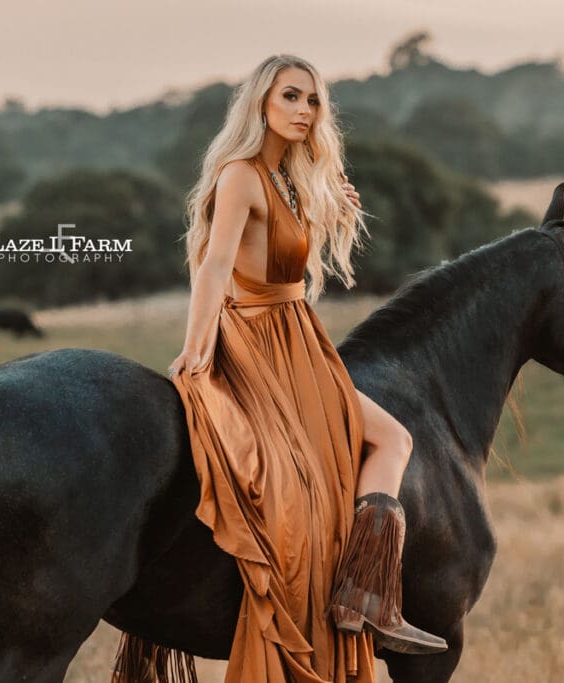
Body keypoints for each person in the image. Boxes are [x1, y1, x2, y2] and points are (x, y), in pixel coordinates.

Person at [167, 54, 447, 682]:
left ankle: (363, 595)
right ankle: (356, 596)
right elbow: (214, 266)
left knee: (392, 439)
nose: (303, 111)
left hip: (302, 340)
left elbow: (287, 255)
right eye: (290, 97)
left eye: (313, 101)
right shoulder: (242, 174)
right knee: (318, 478)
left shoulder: (291, 177)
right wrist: (198, 347)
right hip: (259, 340)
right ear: (261, 103)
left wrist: (332, 209)